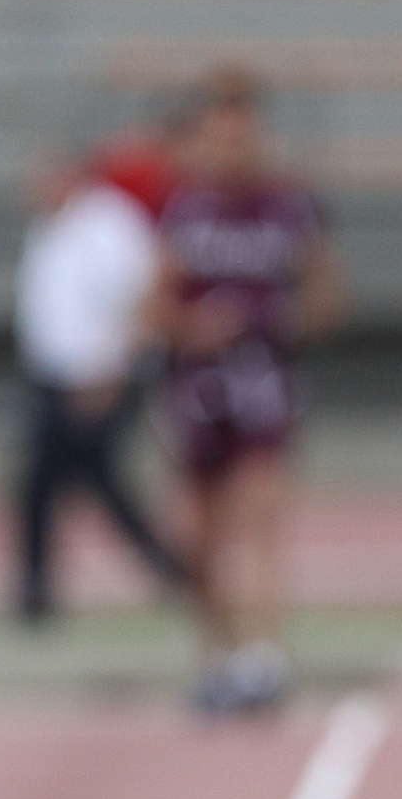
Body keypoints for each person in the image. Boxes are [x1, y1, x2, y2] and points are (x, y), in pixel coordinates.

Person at [146, 68, 344, 713]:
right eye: (220, 137)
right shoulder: (184, 208)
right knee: (197, 534)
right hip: (195, 390)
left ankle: (262, 657)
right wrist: (192, 327)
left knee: (259, 522)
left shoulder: (290, 207)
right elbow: (151, 305)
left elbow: (325, 297)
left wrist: (275, 321)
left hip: (264, 385)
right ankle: (217, 653)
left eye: (243, 136)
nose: (233, 150)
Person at [11, 132, 189, 622]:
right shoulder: (50, 226)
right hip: (54, 377)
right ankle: (162, 569)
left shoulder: (110, 226)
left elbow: (140, 302)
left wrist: (109, 373)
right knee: (70, 482)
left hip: (98, 380)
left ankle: (39, 591)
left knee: (59, 481)